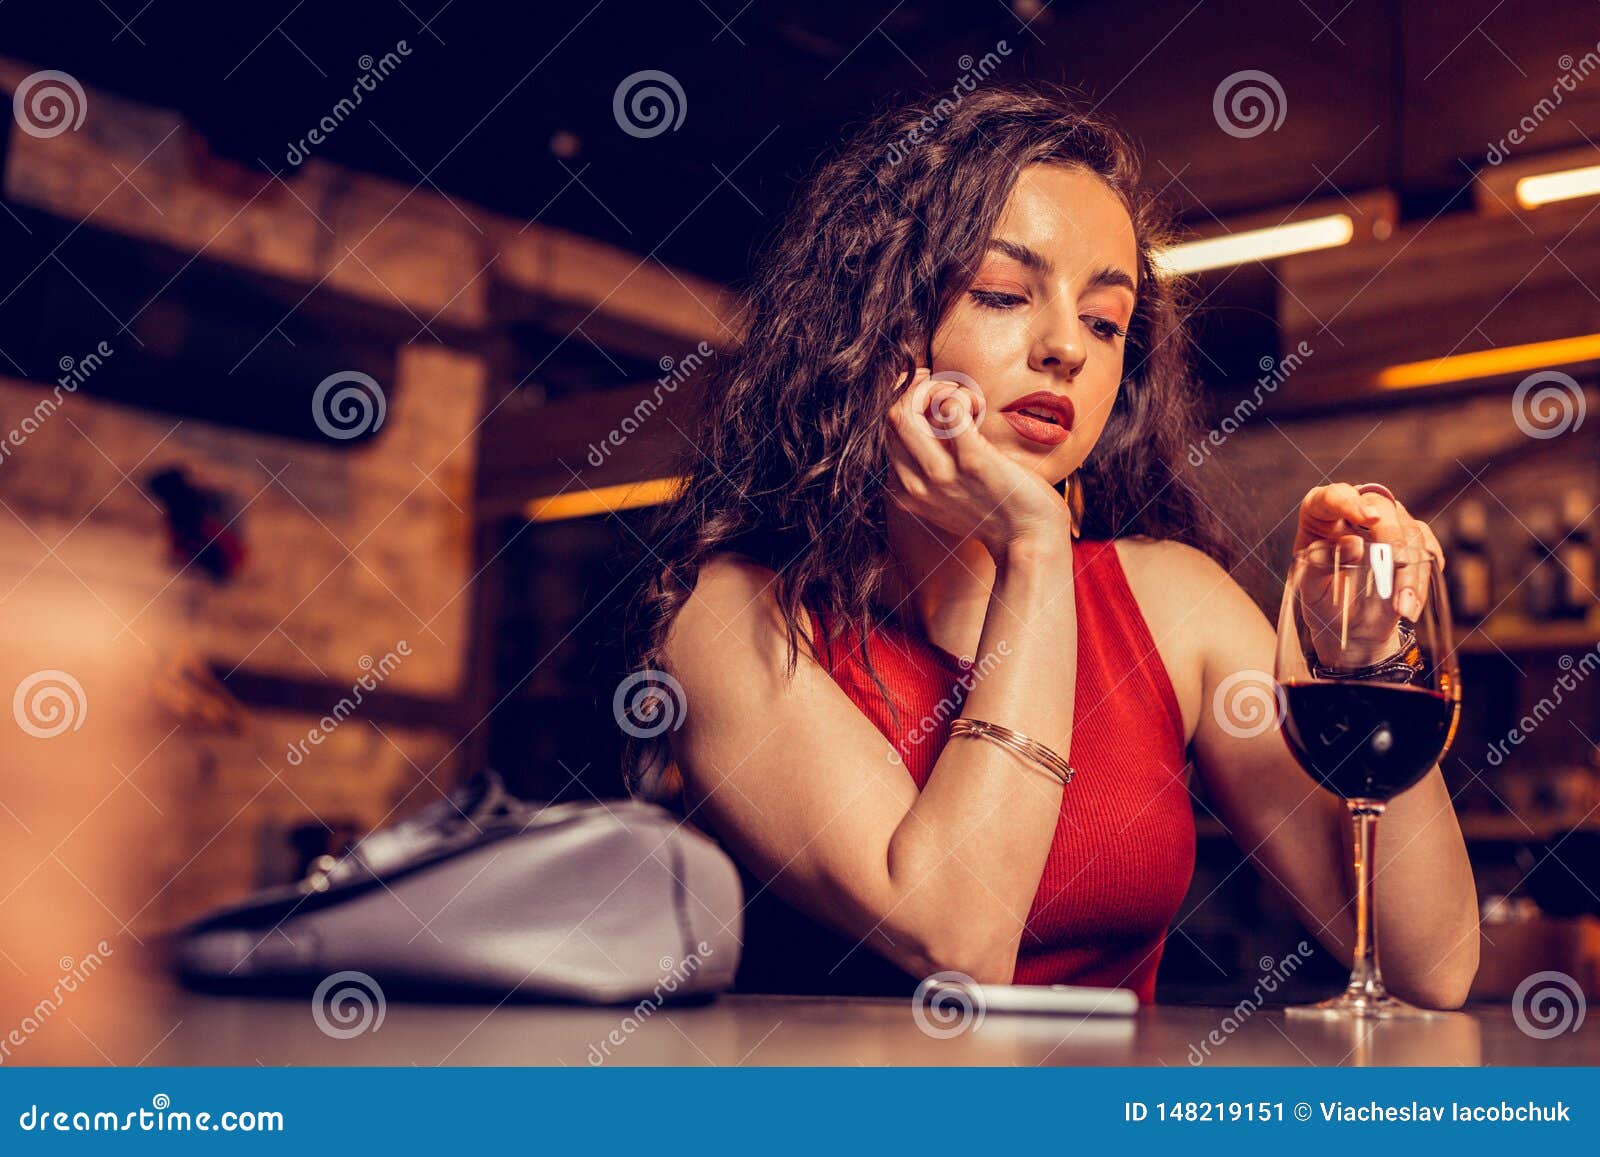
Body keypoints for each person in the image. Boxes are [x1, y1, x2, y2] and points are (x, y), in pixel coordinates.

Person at [619, 81, 1478, 1006]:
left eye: (1107, 322)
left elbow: (1430, 965)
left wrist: (1366, 665)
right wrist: (1032, 552)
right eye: (1001, 294)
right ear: (880, 323)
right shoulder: (735, 618)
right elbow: (957, 936)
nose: (1068, 344)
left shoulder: (1172, 603)